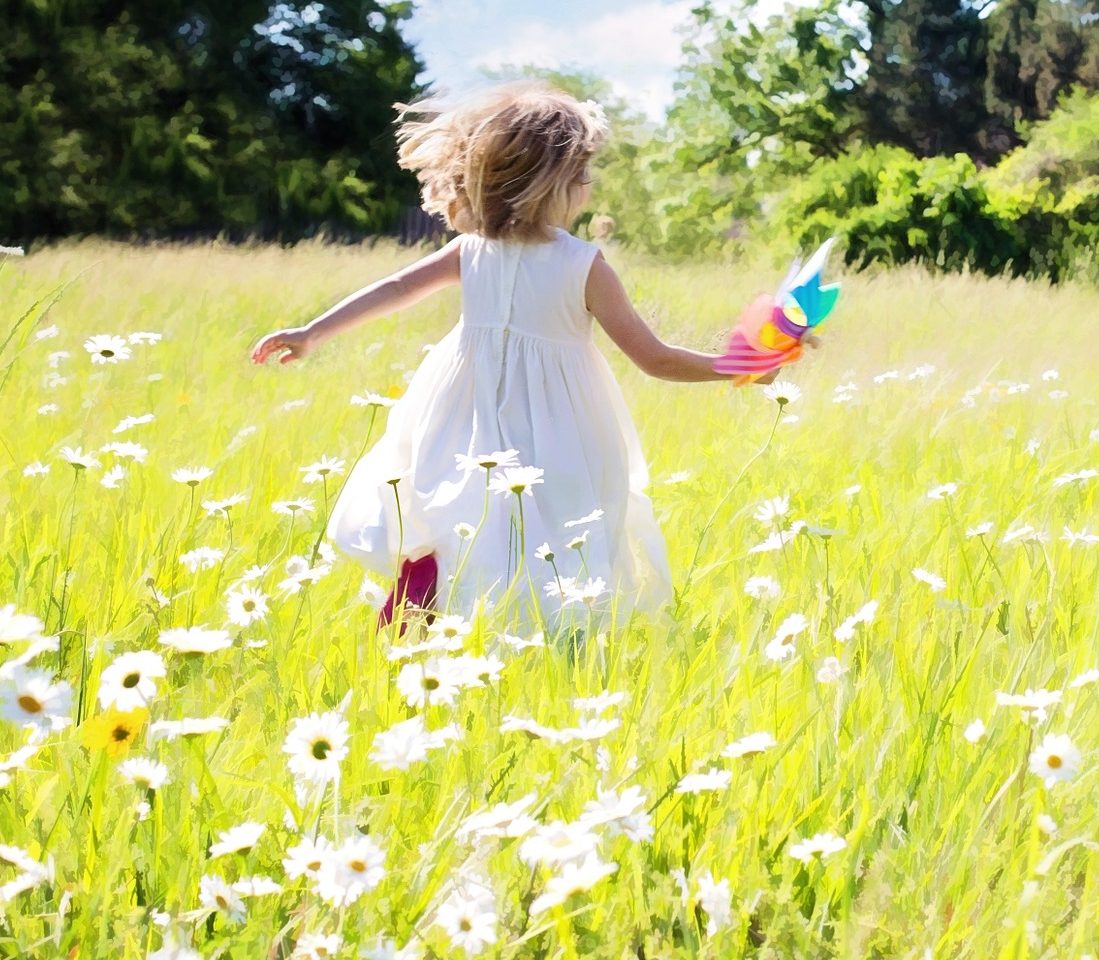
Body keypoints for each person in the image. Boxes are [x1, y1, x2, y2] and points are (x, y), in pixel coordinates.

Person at [249, 81, 770, 632]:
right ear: (551, 183)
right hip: (556, 424)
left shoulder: (473, 249)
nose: (589, 187)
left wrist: (314, 331)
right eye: (582, 174)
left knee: (460, 511)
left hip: (462, 409)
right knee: (557, 530)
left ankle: (429, 613)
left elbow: (398, 287)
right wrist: (739, 366)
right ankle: (537, 637)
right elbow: (654, 357)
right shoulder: (582, 264)